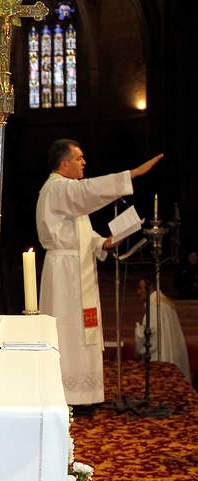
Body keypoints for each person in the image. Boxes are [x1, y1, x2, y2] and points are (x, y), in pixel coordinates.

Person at [36, 138, 163, 406]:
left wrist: (102, 241)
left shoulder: (67, 192)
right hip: (65, 273)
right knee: (68, 330)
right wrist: (132, 174)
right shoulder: (57, 188)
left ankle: (85, 394)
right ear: (64, 164)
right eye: (79, 158)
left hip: (78, 265)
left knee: (83, 328)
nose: (84, 162)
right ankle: (66, 395)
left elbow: (80, 229)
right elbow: (87, 193)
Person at [134, 279, 191, 383]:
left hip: (160, 357)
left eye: (140, 288)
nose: (138, 292)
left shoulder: (154, 306)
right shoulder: (165, 302)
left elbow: (149, 336)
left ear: (150, 288)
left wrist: (138, 332)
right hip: (171, 354)